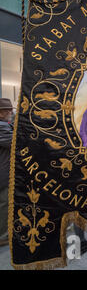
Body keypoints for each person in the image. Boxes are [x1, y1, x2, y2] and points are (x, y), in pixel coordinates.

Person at [0, 98, 14, 247]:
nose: (10, 112)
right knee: (4, 204)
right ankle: (3, 236)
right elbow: (14, 142)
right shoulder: (1, 126)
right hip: (3, 173)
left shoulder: (5, 124)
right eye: (6, 110)